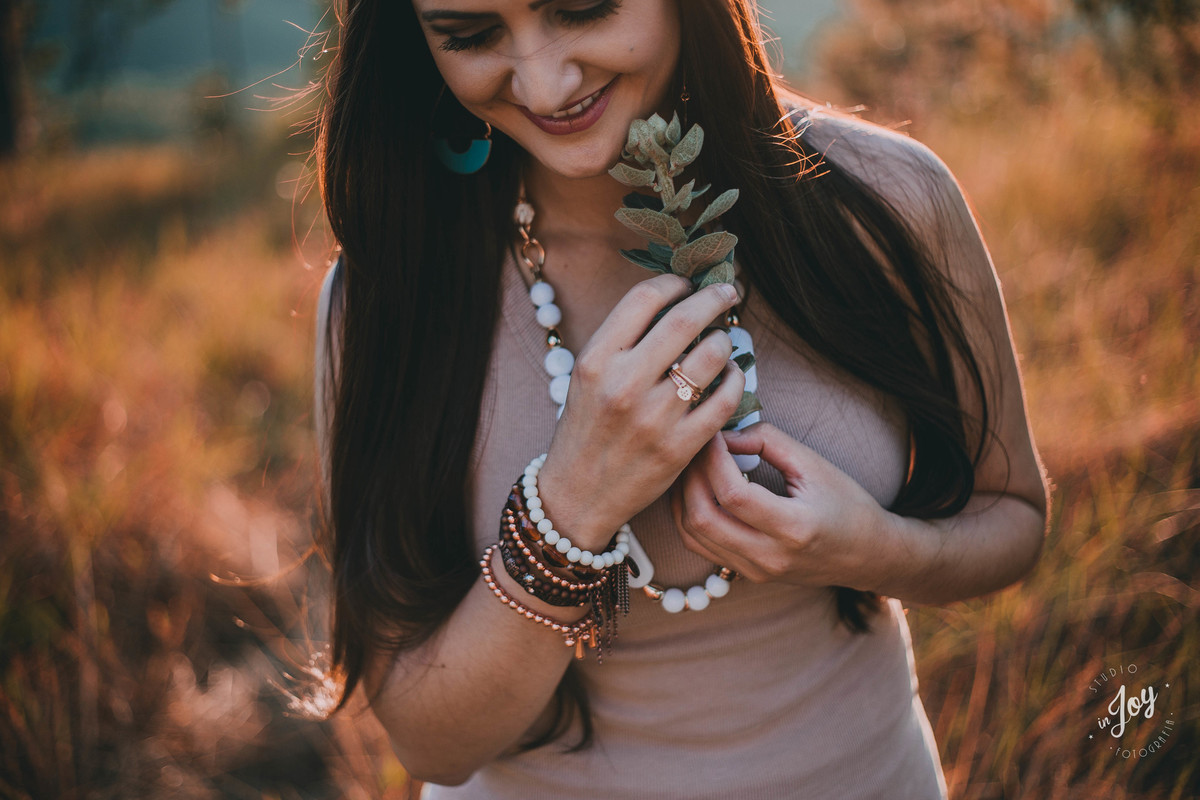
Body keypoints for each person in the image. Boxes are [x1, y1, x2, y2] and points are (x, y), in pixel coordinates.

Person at [312, 0, 1049, 797]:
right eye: (471, 35)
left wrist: (872, 548)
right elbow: (431, 743)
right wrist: (567, 511)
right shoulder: (389, 292)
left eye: (580, 8)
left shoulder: (887, 199)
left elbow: (1013, 516)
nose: (544, 81)